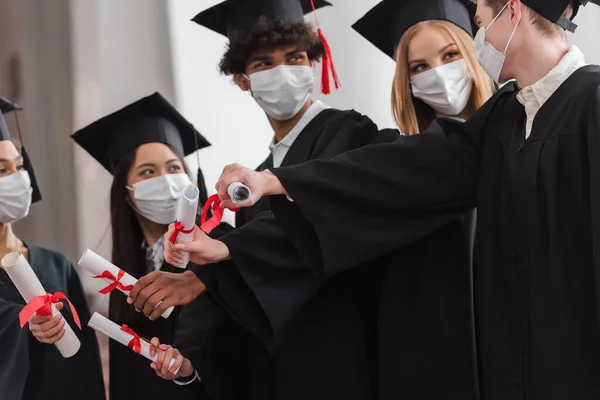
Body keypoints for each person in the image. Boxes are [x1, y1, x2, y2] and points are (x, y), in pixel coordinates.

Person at [208, 0, 600, 399]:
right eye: (418, 66)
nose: (479, 34)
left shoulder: (592, 101)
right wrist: (275, 182)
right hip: (514, 364)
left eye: (479, 20)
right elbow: (400, 167)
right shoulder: (507, 118)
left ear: (513, 11)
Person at [132, 1, 497, 398]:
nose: (282, 74)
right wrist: (204, 304)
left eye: (294, 58)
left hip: (357, 353)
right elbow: (265, 289)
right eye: (263, 65)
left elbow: (338, 212)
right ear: (242, 79)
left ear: (314, 63)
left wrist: (226, 253)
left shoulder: (356, 138)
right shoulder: (253, 179)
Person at [71, 92, 230, 400]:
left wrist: (188, 368)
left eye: (174, 168)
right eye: (148, 172)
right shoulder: (128, 268)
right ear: (127, 192)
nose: (167, 180)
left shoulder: (219, 245)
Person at [0, 98, 105, 400]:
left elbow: (84, 366)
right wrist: (23, 322)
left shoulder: (56, 265)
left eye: (18, 166)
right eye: (0, 169)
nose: (16, 178)